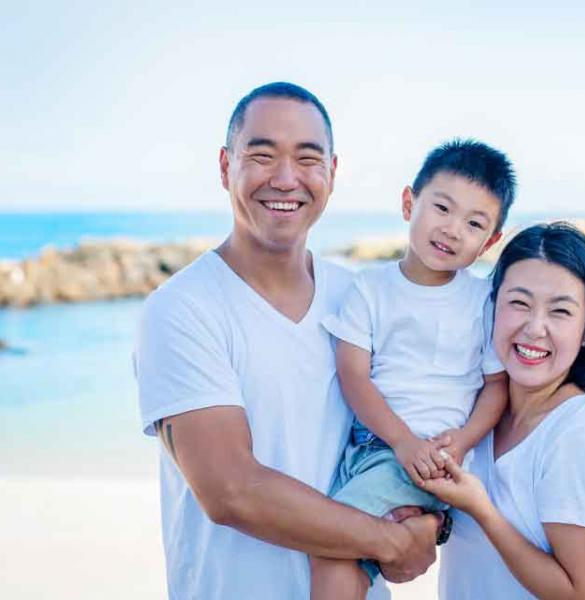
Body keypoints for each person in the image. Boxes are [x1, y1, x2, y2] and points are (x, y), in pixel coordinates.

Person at [133, 82, 441, 599]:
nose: (285, 178)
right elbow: (231, 490)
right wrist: (390, 542)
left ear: (332, 174)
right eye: (261, 154)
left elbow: (415, 427)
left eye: (306, 158)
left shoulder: (359, 299)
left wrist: (431, 521)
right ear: (226, 167)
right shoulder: (182, 308)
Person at [310, 139, 516, 599]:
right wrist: (399, 440)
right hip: (369, 451)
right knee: (351, 557)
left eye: (474, 223)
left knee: (332, 547)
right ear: (409, 203)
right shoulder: (371, 289)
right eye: (442, 208)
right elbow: (353, 375)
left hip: (427, 459)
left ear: (491, 241)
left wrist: (461, 441)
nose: (452, 229)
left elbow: (495, 386)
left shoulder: (482, 301)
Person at [424, 222, 585, 599]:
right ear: (493, 307)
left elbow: (584, 594)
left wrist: (482, 511)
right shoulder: (474, 411)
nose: (535, 328)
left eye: (560, 312)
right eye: (519, 303)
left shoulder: (576, 435)